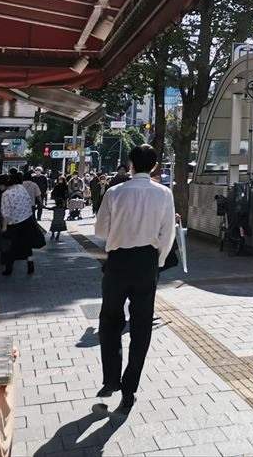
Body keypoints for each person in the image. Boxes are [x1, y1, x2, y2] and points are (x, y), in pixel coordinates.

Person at [94, 144, 176, 415]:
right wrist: (158, 262)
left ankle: (110, 379)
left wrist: (120, 232)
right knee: (141, 326)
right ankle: (130, 388)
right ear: (154, 166)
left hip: (118, 261)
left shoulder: (115, 192)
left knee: (110, 320)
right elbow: (167, 234)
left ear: (130, 164)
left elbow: (100, 231)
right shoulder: (164, 193)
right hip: (147, 262)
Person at [0, 171, 38, 276]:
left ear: (3, 184)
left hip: (14, 224)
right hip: (27, 220)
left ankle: (8, 269)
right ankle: (30, 265)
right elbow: (29, 201)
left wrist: (4, 227)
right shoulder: (21, 188)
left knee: (10, 247)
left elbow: (6, 213)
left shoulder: (6, 194)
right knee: (27, 245)